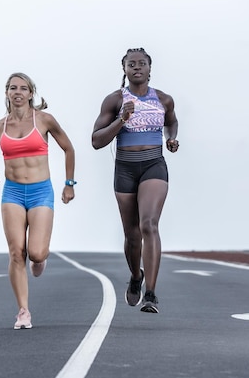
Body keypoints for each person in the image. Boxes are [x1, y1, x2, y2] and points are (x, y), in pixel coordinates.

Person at [0, 72, 76, 329]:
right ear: (7, 93)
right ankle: (23, 311)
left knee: (35, 252)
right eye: (12, 88)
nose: (17, 92)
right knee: (15, 252)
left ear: (31, 93)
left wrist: (69, 184)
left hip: (41, 191)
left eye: (23, 88)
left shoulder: (43, 120)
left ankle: (40, 258)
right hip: (12, 192)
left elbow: (69, 148)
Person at [91, 48, 179, 314]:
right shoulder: (114, 100)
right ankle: (136, 277)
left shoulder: (163, 99)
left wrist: (171, 138)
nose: (137, 67)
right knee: (132, 235)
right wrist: (122, 119)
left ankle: (151, 294)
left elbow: (172, 122)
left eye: (142, 64)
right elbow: (96, 141)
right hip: (125, 168)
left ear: (150, 69)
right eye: (132, 64)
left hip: (154, 164)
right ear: (125, 70)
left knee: (149, 224)